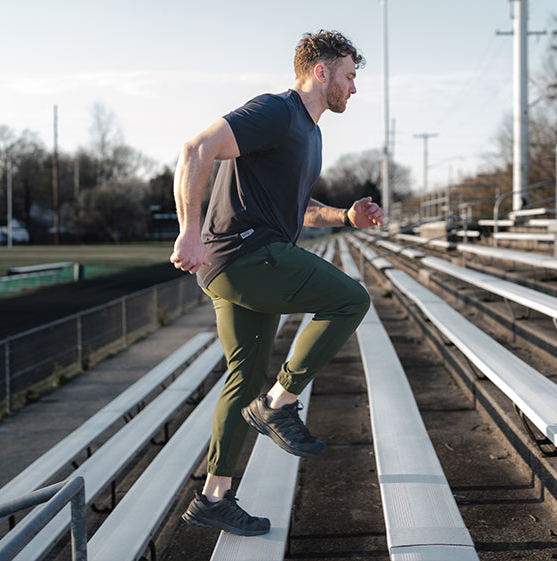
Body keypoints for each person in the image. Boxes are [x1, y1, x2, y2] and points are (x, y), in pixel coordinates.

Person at [169, 30, 384, 536]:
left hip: (237, 266)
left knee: (242, 378)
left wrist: (346, 217)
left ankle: (213, 497)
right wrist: (189, 232)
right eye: (350, 76)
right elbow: (196, 149)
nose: (354, 88)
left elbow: (299, 209)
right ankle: (280, 404)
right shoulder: (277, 111)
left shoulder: (310, 134)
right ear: (322, 71)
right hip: (246, 255)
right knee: (350, 299)